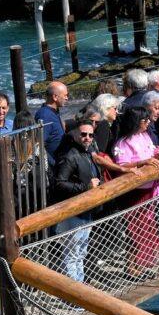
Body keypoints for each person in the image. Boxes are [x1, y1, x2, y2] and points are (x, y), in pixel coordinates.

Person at [112, 107, 159, 280]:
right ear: (137, 122)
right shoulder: (123, 142)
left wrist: (157, 155)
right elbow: (122, 165)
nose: (148, 122)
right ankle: (131, 267)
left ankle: (139, 265)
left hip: (148, 189)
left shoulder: (145, 136)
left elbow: (150, 153)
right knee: (134, 229)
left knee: (146, 227)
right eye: (145, 120)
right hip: (133, 193)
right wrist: (143, 162)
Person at [53, 120, 102, 282]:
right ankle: (72, 292)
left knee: (81, 252)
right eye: (83, 134)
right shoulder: (70, 156)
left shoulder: (87, 153)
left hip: (86, 210)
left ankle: (79, 287)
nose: (87, 138)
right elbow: (59, 183)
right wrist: (85, 187)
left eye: (90, 135)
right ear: (75, 135)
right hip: (74, 212)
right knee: (72, 254)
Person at [35, 81, 68, 165]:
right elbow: (39, 145)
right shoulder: (45, 115)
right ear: (55, 97)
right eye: (65, 95)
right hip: (54, 165)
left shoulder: (54, 111)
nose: (67, 98)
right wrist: (52, 164)